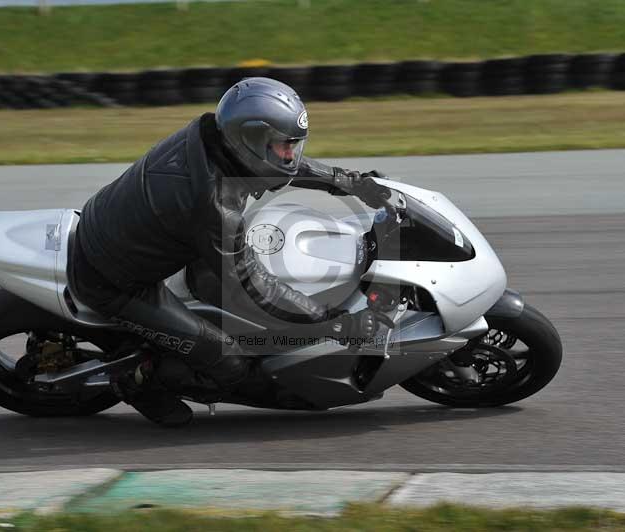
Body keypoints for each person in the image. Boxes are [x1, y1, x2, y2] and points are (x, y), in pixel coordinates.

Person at [66, 77, 390, 426]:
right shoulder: (215, 203)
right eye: (283, 145)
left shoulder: (211, 137)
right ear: (248, 139)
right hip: (113, 282)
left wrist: (349, 181)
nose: (290, 154)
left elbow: (283, 168)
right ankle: (137, 382)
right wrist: (335, 323)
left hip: (136, 231)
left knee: (236, 295)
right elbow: (250, 285)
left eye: (293, 144)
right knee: (228, 361)